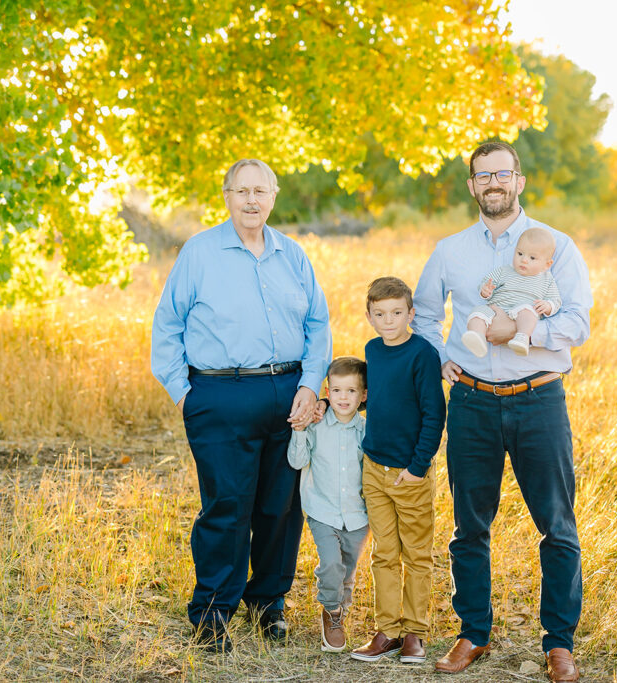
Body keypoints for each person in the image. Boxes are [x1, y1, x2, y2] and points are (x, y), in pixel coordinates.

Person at [413, 141, 593, 683]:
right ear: (472, 185)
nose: (493, 182)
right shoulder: (450, 250)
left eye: (503, 173)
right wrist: (441, 356)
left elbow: (579, 322)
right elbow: (424, 313)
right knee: (469, 527)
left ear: (518, 180)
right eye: (482, 175)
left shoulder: (556, 246)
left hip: (538, 397)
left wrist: (516, 331)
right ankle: (474, 632)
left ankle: (558, 644)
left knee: (557, 526)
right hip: (470, 401)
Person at [151, 158, 331, 654]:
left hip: (290, 394)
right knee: (227, 506)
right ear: (227, 196)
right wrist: (186, 395)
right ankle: (212, 612)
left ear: (273, 197)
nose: (252, 200)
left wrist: (311, 384)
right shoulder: (200, 253)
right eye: (242, 191)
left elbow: (318, 324)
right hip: (219, 395)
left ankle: (267, 601)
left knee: (281, 507)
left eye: (261, 191)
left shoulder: (292, 255)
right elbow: (167, 325)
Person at [349, 277, 446, 666]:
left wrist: (418, 467)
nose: (388, 321)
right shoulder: (372, 350)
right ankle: (388, 630)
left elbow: (433, 413)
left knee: (417, 555)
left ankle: (415, 634)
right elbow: (373, 401)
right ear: (369, 316)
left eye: (396, 313)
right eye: (380, 314)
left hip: (410, 473)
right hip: (374, 468)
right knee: (384, 553)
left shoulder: (422, 354)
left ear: (411, 313)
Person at [287, 356, 370, 654]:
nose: (343, 398)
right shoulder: (316, 424)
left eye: (351, 391)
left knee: (347, 570)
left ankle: (340, 608)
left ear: (363, 395)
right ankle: (332, 611)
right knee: (332, 564)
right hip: (322, 509)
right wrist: (299, 430)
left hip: (358, 514)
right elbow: (297, 461)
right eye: (336, 391)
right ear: (327, 390)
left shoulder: (366, 429)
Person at [462, 226, 562, 358]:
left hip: (522, 310)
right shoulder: (504, 271)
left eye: (532, 258)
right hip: (496, 308)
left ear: (547, 264)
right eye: (520, 254)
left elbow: (556, 300)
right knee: (478, 313)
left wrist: (548, 306)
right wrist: (485, 290)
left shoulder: (547, 279)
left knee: (528, 311)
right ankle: (477, 338)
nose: (524, 260)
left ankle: (522, 337)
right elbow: (487, 282)